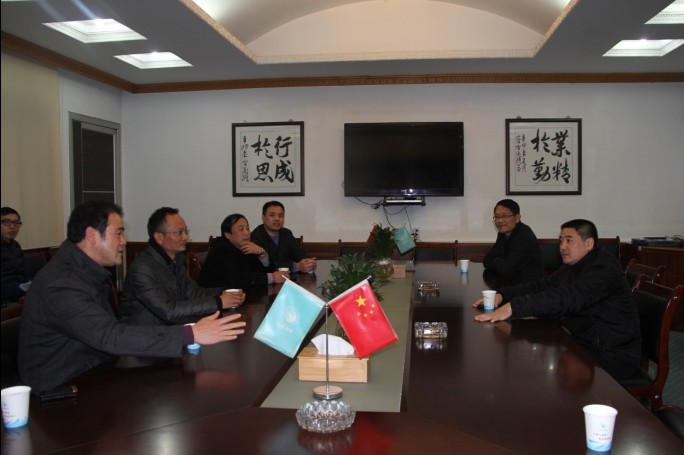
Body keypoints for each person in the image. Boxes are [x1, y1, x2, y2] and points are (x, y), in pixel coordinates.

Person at [18, 201, 246, 393]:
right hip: (63, 391)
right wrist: (191, 333)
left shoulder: (84, 271)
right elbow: (109, 335)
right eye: (118, 233)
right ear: (92, 235)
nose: (124, 242)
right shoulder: (62, 282)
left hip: (98, 373)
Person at [473, 219, 640, 380]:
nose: (563, 247)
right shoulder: (573, 265)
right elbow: (543, 286)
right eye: (561, 241)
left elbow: (569, 297)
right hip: (581, 340)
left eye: (569, 241)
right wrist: (503, 295)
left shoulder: (603, 269)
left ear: (589, 243)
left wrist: (513, 307)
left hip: (610, 353)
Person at [119, 207, 245, 326]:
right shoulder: (142, 269)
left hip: (170, 331)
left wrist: (225, 292)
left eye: (186, 231)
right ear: (159, 237)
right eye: (179, 232)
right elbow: (169, 311)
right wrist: (219, 302)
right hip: (145, 336)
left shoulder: (176, 261)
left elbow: (195, 293)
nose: (185, 237)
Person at [199, 213, 288, 289]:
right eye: (241, 229)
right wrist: (273, 277)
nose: (247, 233)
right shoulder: (220, 250)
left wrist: (262, 253)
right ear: (228, 235)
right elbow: (237, 279)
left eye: (247, 228)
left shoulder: (246, 247)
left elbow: (265, 271)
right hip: (215, 297)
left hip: (243, 294)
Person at [482, 199, 543, 285]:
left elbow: (507, 268)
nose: (500, 220)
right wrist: (501, 262)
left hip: (528, 287)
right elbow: (487, 260)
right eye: (497, 217)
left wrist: (497, 260)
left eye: (504, 216)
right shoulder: (503, 233)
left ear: (517, 218)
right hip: (510, 282)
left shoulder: (524, 236)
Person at [251, 201, 316, 274]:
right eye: (272, 215)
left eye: (280, 216)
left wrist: (308, 263)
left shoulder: (286, 233)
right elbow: (266, 265)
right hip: (267, 279)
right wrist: (296, 266)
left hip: (290, 278)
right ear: (263, 217)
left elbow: (298, 254)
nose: (277, 219)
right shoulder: (255, 237)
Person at [1, 207, 31, 303]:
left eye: (16, 222)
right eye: (7, 222)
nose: (12, 226)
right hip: (6, 296)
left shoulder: (16, 245)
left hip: (21, 291)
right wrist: (20, 289)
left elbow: (24, 271)